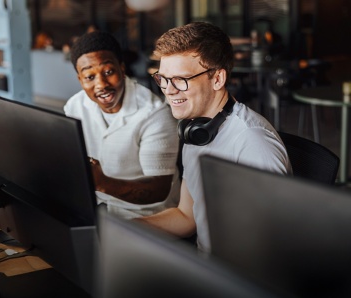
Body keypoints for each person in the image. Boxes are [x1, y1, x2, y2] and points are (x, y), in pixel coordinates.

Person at [138, 21, 292, 253]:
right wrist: (124, 227)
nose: (169, 90)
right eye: (163, 79)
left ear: (218, 79)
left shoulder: (253, 143)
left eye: (181, 79)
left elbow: (275, 246)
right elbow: (186, 217)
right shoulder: (196, 130)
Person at [64, 31, 181, 219]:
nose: (101, 84)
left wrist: (102, 183)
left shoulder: (155, 114)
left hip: (147, 216)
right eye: (89, 77)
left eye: (108, 72)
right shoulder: (74, 106)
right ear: (80, 79)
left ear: (122, 68)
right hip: (97, 207)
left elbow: (159, 189)